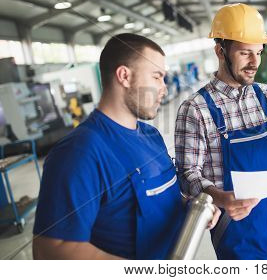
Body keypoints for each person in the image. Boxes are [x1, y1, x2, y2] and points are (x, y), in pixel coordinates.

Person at [33, 33, 219, 259]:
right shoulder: (79, 152)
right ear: (124, 76)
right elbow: (51, 250)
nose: (165, 88)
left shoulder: (152, 136)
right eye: (156, 77)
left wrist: (193, 208)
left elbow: (161, 196)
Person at [175, 3, 267, 259]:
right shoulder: (195, 108)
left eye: (259, 52)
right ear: (220, 51)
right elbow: (186, 175)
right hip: (234, 227)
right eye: (244, 53)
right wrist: (222, 198)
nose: (255, 63)